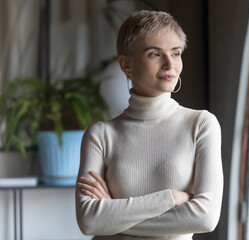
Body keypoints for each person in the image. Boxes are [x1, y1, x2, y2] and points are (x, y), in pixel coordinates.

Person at [75, 10, 223, 240]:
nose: (169, 64)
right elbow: (89, 221)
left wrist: (113, 215)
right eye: (155, 54)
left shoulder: (201, 124)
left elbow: (205, 217)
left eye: (175, 53)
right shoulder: (101, 135)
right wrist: (171, 198)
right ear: (126, 64)